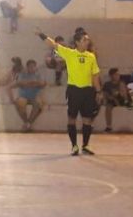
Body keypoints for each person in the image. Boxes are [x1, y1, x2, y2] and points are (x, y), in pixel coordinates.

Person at [35, 28, 101, 156]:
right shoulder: (69, 53)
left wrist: (98, 92)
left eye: (87, 39)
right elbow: (53, 44)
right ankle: (74, 146)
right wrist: (41, 35)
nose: (87, 41)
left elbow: (95, 75)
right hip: (74, 90)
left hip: (87, 91)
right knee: (72, 118)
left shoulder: (91, 56)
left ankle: (85, 145)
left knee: (87, 119)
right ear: (77, 42)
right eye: (84, 40)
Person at [13, 60, 47, 132]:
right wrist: (34, 83)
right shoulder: (22, 74)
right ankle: (27, 123)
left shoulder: (39, 75)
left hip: (34, 96)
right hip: (23, 96)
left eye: (33, 67)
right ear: (27, 67)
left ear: (35, 67)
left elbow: (42, 84)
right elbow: (20, 83)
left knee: (39, 104)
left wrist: (28, 83)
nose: (32, 68)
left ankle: (28, 123)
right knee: (19, 103)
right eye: (30, 67)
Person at [102, 68, 130, 133]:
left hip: (121, 99)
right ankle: (109, 126)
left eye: (118, 74)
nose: (118, 76)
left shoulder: (121, 83)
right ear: (111, 76)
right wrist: (110, 98)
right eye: (116, 74)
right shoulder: (107, 84)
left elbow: (124, 94)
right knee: (108, 107)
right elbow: (105, 94)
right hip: (111, 100)